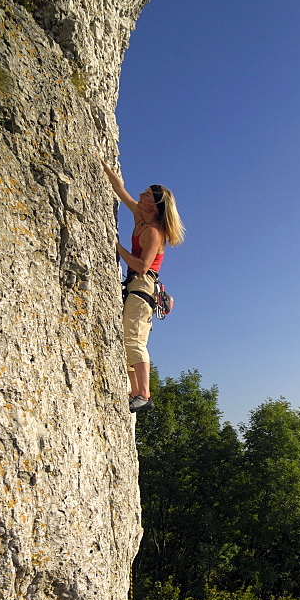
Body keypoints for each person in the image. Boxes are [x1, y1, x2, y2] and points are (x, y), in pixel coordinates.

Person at [100, 158, 184, 412]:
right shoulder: (140, 215)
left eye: (146, 194)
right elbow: (120, 191)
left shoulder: (153, 232)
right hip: (136, 285)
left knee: (134, 340)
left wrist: (117, 247)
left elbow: (142, 266)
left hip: (143, 286)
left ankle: (144, 394)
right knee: (126, 339)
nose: (140, 195)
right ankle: (136, 392)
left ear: (155, 205)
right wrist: (103, 164)